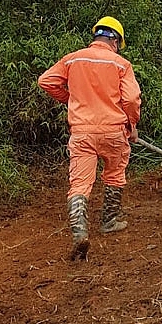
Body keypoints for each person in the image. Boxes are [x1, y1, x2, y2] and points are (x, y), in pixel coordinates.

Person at [38, 16, 141, 260]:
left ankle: (80, 231)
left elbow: (46, 81)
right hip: (113, 131)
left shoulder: (73, 59)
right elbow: (131, 99)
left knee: (80, 183)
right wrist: (132, 124)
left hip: (82, 131)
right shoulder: (121, 64)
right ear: (115, 40)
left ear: (97, 36)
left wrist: (70, 99)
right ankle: (109, 221)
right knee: (115, 174)